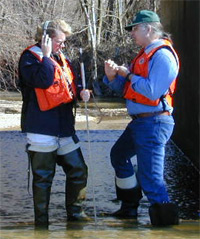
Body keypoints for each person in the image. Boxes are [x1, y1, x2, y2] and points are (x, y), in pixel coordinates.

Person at [103, 10, 180, 226]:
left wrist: (126, 74)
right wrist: (112, 77)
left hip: (154, 122)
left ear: (149, 29)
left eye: (135, 28)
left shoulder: (163, 55)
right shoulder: (145, 54)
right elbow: (128, 90)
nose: (132, 33)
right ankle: (129, 209)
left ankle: (166, 226)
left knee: (152, 179)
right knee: (119, 155)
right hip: (141, 122)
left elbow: (153, 91)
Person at [18, 19, 90, 228]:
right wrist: (47, 56)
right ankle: (42, 224)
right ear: (46, 39)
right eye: (60, 41)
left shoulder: (61, 58)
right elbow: (43, 81)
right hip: (41, 128)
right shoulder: (29, 59)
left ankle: (75, 214)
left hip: (64, 128)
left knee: (78, 170)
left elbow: (67, 87)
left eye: (64, 42)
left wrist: (82, 93)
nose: (63, 45)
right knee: (43, 177)